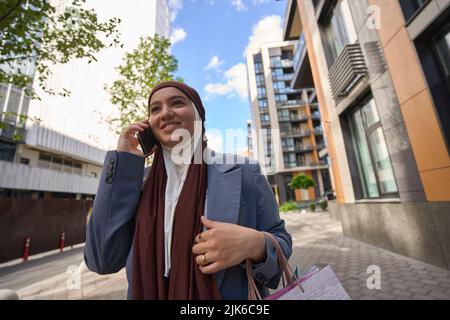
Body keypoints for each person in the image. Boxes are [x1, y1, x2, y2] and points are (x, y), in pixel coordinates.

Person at [84, 80, 292, 300]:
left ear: (198, 116)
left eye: (177, 103)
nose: (165, 113)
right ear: (149, 124)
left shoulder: (244, 171)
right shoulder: (136, 182)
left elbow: (282, 242)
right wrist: (124, 163)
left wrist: (255, 244)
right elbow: (101, 260)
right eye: (155, 109)